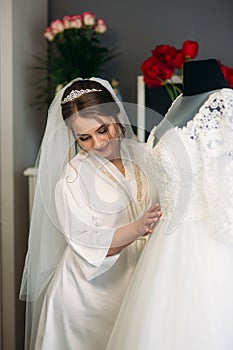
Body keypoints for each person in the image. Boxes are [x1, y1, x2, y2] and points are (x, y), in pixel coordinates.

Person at [19, 77, 161, 350]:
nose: (97, 142)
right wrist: (137, 227)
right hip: (87, 300)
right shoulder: (73, 178)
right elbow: (87, 242)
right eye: (84, 138)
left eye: (103, 130)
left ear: (116, 114)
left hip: (137, 284)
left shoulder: (145, 155)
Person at [106, 59, 233, 350]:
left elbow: (227, 183)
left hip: (206, 241)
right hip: (165, 241)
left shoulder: (223, 105)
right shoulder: (176, 105)